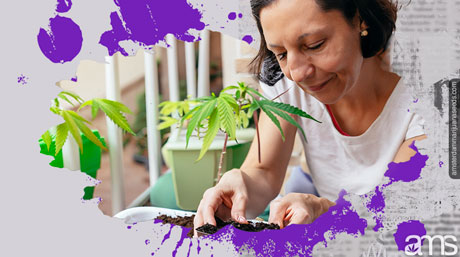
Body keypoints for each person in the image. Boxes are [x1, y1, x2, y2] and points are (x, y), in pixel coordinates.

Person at [193, 0, 426, 235]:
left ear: (359, 19)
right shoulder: (285, 84)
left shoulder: (430, 93)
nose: (297, 73)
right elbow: (264, 170)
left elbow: (402, 208)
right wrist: (238, 186)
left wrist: (323, 209)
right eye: (281, 54)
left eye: (315, 45)